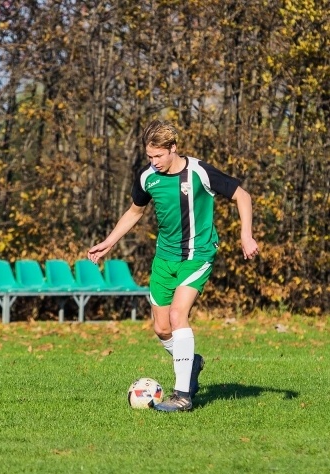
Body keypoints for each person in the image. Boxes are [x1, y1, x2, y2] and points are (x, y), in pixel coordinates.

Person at [88, 119, 259, 412]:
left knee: (180, 315)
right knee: (162, 327)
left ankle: (182, 396)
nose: (153, 162)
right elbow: (134, 211)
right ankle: (191, 362)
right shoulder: (147, 177)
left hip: (198, 255)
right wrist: (109, 241)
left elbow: (242, 195)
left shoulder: (199, 172)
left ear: (173, 148)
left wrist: (246, 235)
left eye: (158, 156)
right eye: (149, 157)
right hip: (164, 259)